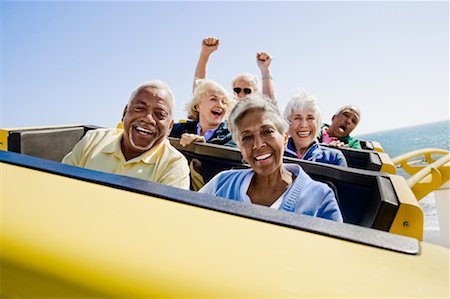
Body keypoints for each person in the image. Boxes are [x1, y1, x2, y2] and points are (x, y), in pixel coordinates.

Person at [199, 94, 343, 222]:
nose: (258, 144)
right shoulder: (222, 182)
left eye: (267, 131)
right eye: (247, 137)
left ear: (285, 137)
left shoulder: (321, 197)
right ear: (240, 147)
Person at [62, 80, 190, 189]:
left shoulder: (174, 165)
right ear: (124, 113)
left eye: (160, 114)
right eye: (140, 108)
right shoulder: (93, 140)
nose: (148, 119)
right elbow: (61, 185)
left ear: (170, 127)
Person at [193, 37, 275, 101]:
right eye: (237, 90)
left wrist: (265, 69)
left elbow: (270, 105)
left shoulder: (259, 112)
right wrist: (205, 54)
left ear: (255, 92)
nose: (242, 94)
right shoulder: (225, 111)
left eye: (247, 91)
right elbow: (199, 92)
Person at [283, 89, 347, 166]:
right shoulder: (278, 155)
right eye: (297, 118)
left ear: (317, 123)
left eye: (310, 118)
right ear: (288, 123)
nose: (304, 125)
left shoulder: (334, 158)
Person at [170, 79, 235, 147]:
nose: (220, 105)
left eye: (224, 102)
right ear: (198, 106)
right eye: (213, 99)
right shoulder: (177, 129)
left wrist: (203, 147)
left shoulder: (232, 135)